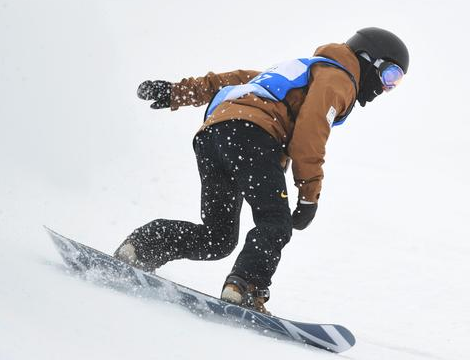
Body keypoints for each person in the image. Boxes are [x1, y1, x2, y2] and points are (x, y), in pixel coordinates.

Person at [114, 27, 409, 314]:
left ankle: (140, 248)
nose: (385, 88)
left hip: (214, 136)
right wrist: (309, 195)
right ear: (370, 60)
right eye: (389, 76)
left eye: (394, 84)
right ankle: (245, 287)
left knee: (218, 237)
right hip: (252, 135)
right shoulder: (340, 78)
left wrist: (178, 92)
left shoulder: (299, 71)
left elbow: (235, 81)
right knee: (275, 224)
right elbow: (310, 134)